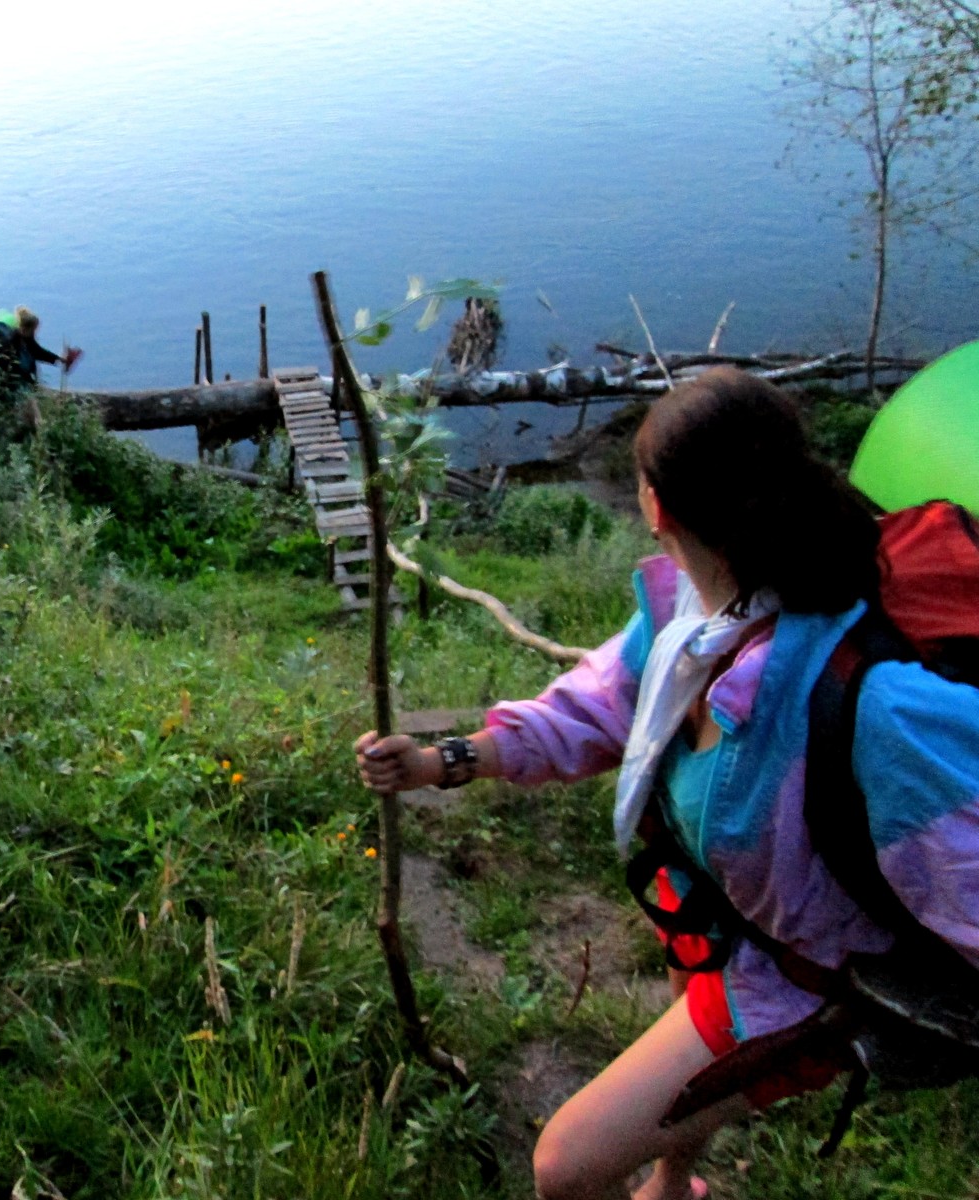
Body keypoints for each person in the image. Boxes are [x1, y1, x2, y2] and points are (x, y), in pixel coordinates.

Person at [354, 367, 979, 1200]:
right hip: (715, 912)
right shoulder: (689, 623)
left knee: (565, 1168)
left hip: (802, 977)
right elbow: (590, 708)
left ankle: (665, 1170)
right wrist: (444, 761)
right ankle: (671, 1180)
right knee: (672, 1064)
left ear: (656, 507)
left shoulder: (872, 702)